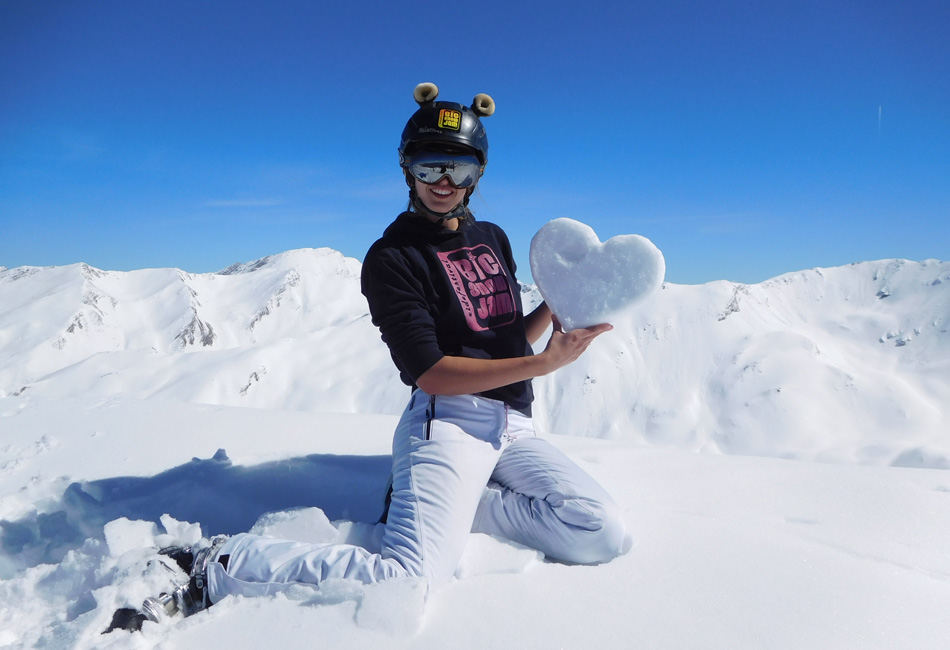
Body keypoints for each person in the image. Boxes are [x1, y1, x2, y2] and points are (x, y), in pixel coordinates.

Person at [117, 83, 626, 629]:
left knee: (600, 530)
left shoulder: (493, 238)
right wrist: (545, 364)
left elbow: (501, 339)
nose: (444, 182)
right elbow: (431, 373)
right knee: (410, 577)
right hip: (447, 422)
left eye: (459, 168)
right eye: (430, 166)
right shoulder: (392, 258)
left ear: (478, 174)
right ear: (408, 169)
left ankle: (458, 502)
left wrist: (555, 306)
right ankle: (216, 564)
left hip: (513, 425)